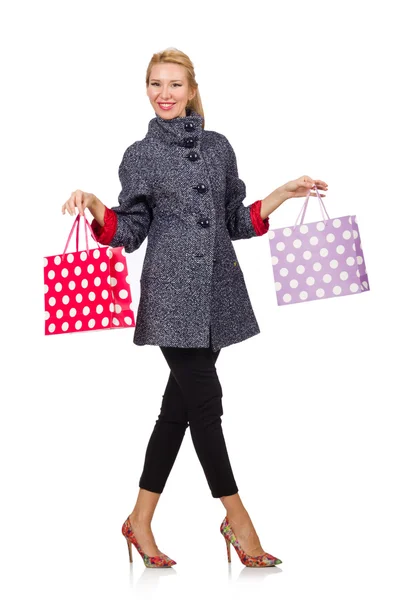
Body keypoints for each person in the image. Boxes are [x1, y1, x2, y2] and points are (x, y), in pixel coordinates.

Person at [62, 47, 328, 568]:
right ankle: (239, 520)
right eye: (155, 84)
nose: (164, 94)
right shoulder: (139, 155)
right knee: (206, 406)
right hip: (171, 296)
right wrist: (95, 203)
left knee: (178, 411)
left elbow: (234, 219)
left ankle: (138, 520)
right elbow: (131, 232)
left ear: (191, 89)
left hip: (217, 292)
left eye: (175, 85)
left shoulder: (219, 147)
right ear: (146, 89)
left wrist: (283, 192)